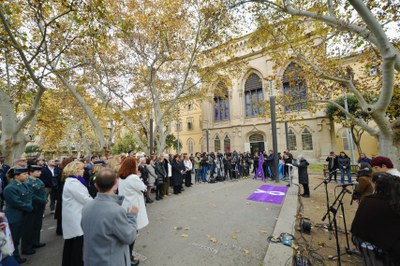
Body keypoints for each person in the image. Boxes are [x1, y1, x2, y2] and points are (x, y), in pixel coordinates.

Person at [81, 168, 138, 266]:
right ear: (116, 184)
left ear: (96, 185)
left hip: (91, 260)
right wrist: (132, 216)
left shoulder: (86, 207)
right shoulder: (115, 211)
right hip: (109, 261)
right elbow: (129, 237)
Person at [351, 172, 400, 264]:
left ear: (376, 185)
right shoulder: (394, 201)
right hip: (386, 248)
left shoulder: (369, 201)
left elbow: (356, 229)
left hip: (369, 246)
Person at [117, 157, 148, 266]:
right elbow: (143, 188)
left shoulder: (121, 177)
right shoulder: (133, 178)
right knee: (132, 233)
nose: (137, 166)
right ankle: (128, 258)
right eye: (135, 164)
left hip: (125, 207)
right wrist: (140, 179)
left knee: (129, 232)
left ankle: (126, 256)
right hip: (133, 208)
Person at [61, 160, 93, 266]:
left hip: (75, 213)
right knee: (77, 242)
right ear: (76, 169)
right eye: (82, 168)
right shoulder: (73, 183)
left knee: (72, 241)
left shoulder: (74, 181)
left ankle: (69, 262)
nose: (83, 170)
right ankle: (76, 262)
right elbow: (84, 198)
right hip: (75, 215)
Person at [3, 167, 33, 264]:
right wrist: (29, 207)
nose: (27, 175)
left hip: (22, 215)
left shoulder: (23, 185)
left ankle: (16, 256)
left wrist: (29, 206)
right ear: (16, 176)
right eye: (24, 174)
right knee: (14, 239)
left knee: (18, 237)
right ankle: (14, 258)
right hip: (15, 217)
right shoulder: (10, 188)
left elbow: (29, 196)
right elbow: (17, 203)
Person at [21, 165, 47, 255]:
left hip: (40, 206)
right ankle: (26, 247)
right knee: (29, 227)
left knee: (37, 225)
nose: (40, 172)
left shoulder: (39, 180)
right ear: (30, 172)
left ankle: (35, 242)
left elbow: (44, 192)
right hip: (33, 206)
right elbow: (31, 195)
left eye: (39, 171)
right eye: (37, 171)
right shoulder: (28, 182)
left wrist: (44, 198)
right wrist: (42, 200)